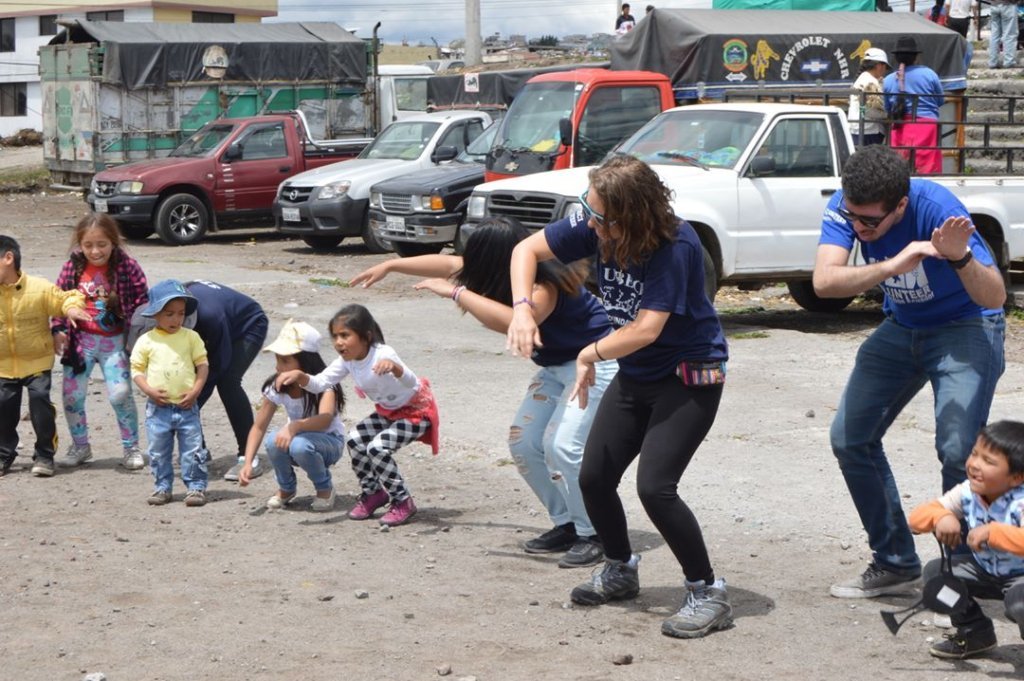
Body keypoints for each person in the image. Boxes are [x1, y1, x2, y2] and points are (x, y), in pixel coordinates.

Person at [508, 155, 731, 639]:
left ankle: (708, 591)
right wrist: (522, 309)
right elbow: (525, 250)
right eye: (588, 211)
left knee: (655, 487)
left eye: (600, 217)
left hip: (687, 376)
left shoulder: (675, 244)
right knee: (593, 476)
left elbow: (647, 329)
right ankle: (620, 568)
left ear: (631, 216)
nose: (590, 223)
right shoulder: (597, 226)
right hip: (637, 372)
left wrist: (589, 353)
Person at [350, 217, 617, 568]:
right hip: (555, 367)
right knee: (523, 444)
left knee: (562, 447)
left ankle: (595, 533)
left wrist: (457, 293)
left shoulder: (545, 285)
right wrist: (391, 265)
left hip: (594, 362)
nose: (467, 265)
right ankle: (567, 523)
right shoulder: (499, 270)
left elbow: (513, 322)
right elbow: (446, 264)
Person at [813, 145, 1006, 599]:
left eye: (869, 222)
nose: (859, 228)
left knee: (958, 448)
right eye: (852, 217)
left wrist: (959, 258)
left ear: (900, 205)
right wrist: (896, 262)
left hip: (966, 325)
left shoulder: (937, 208)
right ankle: (895, 562)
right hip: (903, 326)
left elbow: (995, 296)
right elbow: (824, 282)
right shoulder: (847, 206)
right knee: (850, 438)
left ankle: (965, 571)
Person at [278, 304, 438, 527]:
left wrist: (395, 367)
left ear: (366, 336)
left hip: (416, 412)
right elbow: (320, 383)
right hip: (389, 412)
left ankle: (403, 501)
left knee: (377, 448)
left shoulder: (383, 353)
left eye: (345, 335)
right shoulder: (347, 361)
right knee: (354, 440)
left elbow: (412, 383)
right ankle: (374, 494)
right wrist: (300, 376)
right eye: (335, 336)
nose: (338, 342)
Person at [908, 420, 1024, 660]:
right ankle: (974, 632)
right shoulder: (968, 492)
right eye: (974, 454)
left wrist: (993, 532)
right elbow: (916, 519)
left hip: (1020, 578)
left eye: (989, 461)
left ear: (1016, 477)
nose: (975, 464)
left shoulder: (1020, 502)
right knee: (936, 575)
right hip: (985, 572)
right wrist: (941, 516)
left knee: (1020, 603)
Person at [52, 213, 148, 471]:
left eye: (102, 244)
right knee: (72, 396)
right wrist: (57, 329)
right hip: (80, 342)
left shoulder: (128, 267)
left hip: (115, 342)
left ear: (113, 242)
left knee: (121, 394)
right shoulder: (72, 267)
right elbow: (58, 299)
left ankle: (131, 447)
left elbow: (143, 303)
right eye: (88, 245)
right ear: (80, 245)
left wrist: (140, 337)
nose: (95, 251)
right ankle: (80, 446)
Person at [0, 235, 89, 478]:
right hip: (3, 366)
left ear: (8, 258)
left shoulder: (38, 288)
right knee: (3, 408)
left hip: (36, 361)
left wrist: (71, 308)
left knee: (40, 402)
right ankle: (4, 454)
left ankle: (44, 455)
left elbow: (67, 297)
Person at [239, 320, 346, 513]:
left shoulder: (324, 384)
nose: (278, 367)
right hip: (298, 440)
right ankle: (286, 488)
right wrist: (248, 462)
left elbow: (325, 419)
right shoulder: (277, 386)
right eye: (277, 360)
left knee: (299, 444)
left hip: (329, 443)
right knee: (273, 440)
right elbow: (259, 426)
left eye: (285, 361)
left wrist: (295, 426)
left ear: (305, 361)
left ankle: (325, 488)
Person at [130, 280, 210, 507]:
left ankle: (195, 488)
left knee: (193, 449)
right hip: (158, 408)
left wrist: (196, 390)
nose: (176, 319)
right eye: (169, 314)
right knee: (158, 451)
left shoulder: (191, 337)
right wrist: (149, 390)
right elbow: (136, 369)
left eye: (181, 313)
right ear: (155, 314)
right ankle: (162, 487)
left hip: (187, 406)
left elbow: (202, 365)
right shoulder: (146, 340)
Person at [185, 280, 269, 482]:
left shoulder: (210, 316)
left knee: (228, 381)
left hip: (248, 325)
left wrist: (194, 397)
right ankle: (198, 451)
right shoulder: (159, 315)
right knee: (184, 386)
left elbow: (218, 364)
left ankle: (248, 457)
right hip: (218, 323)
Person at [883, 35, 944, 174]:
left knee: (898, 166)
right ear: (916, 56)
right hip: (927, 127)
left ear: (896, 58)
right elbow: (940, 101)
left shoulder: (888, 80)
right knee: (927, 166)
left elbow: (887, 107)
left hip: (899, 126)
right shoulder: (929, 75)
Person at [849, 47, 890, 146]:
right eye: (885, 66)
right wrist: (887, 115)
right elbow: (868, 110)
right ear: (879, 65)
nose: (885, 70)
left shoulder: (862, 79)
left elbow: (863, 109)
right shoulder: (870, 82)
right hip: (869, 132)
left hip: (858, 130)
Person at [987, 0, 1019, 69]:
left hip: (994, 5)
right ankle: (1009, 62)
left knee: (994, 35)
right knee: (1009, 34)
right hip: (1008, 4)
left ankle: (993, 62)